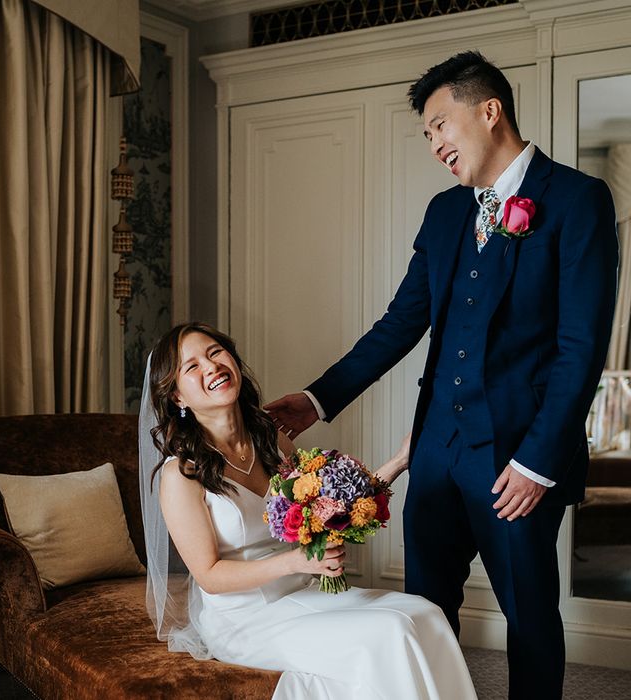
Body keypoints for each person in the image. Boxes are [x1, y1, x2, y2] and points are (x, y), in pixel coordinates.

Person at [264, 51, 619, 700]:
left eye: (439, 125)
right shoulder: (444, 213)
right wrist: (319, 398)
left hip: (518, 459)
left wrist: (539, 461)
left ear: (489, 111)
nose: (434, 144)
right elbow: (401, 323)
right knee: (423, 613)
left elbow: (580, 347)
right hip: (436, 453)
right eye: (426, 134)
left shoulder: (576, 199)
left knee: (530, 616)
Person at [139, 321, 477, 700]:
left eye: (215, 352)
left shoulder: (271, 438)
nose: (211, 366)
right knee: (390, 633)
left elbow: (330, 507)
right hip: (245, 619)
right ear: (177, 397)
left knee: (425, 613)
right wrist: (297, 561)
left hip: (304, 591)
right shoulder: (181, 473)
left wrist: (398, 462)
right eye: (192, 366)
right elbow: (210, 576)